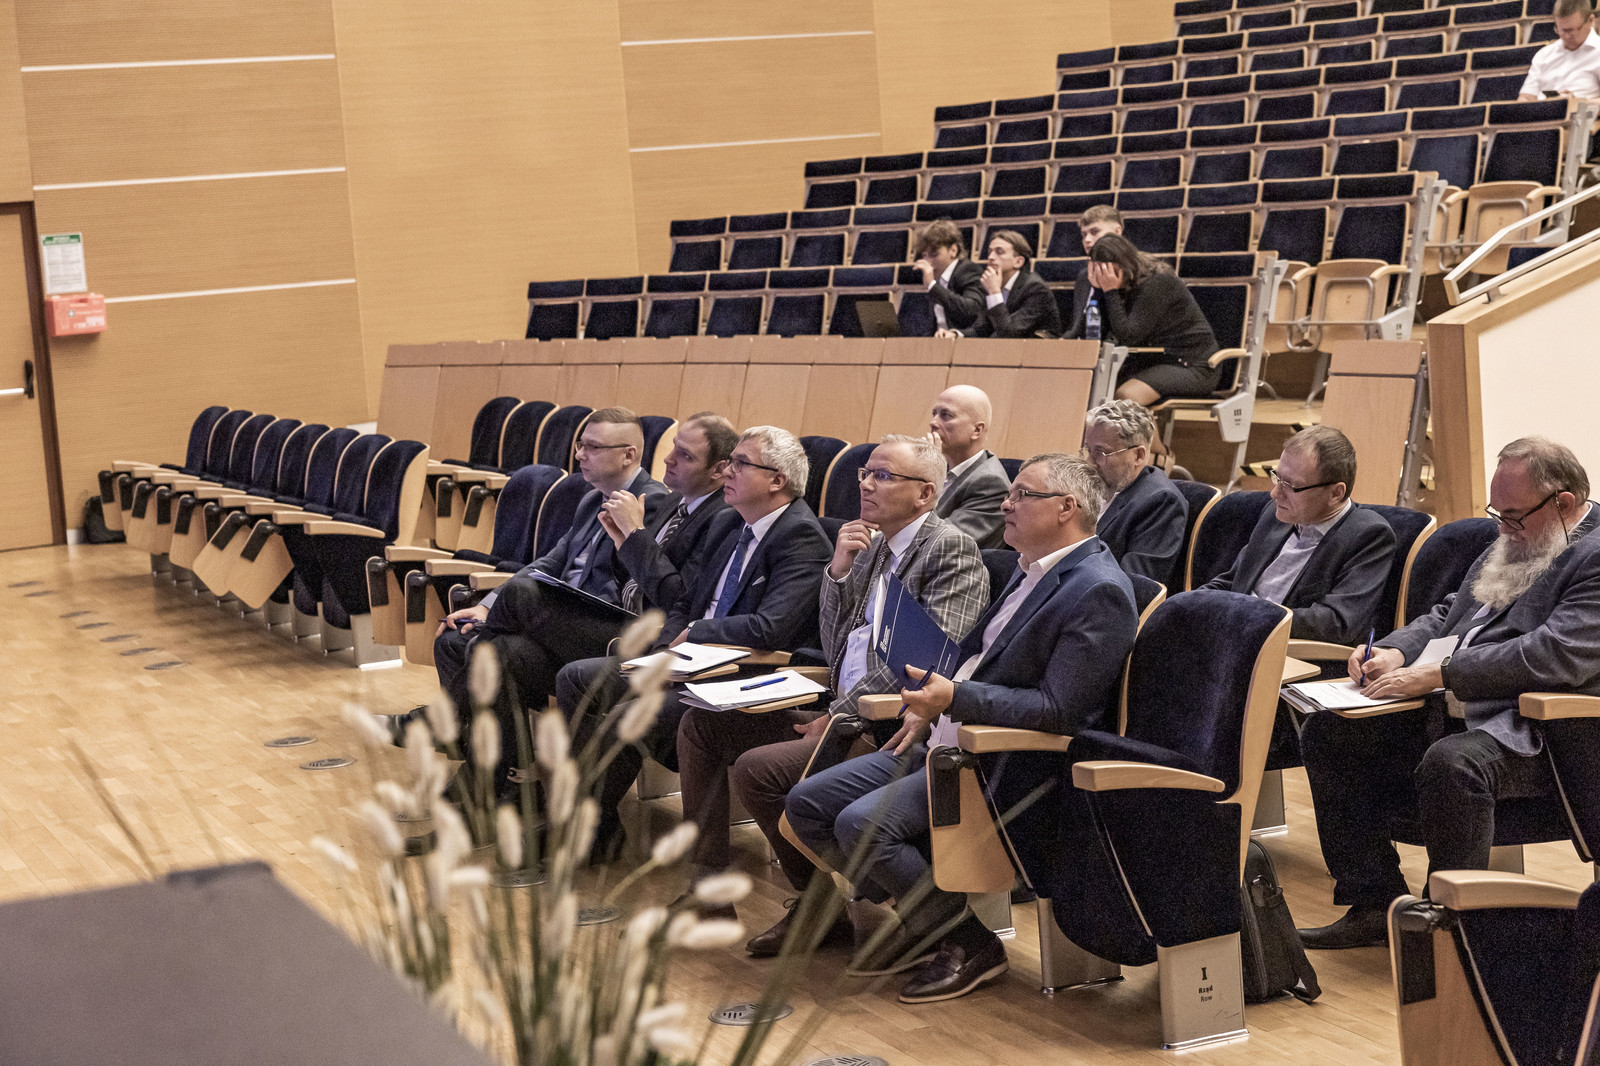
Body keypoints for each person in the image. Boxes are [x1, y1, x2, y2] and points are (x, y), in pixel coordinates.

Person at [786, 454, 1138, 1003]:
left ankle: (968, 942)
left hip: (1000, 762)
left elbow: (1059, 710)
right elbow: (977, 659)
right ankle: (923, 917)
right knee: (806, 804)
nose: (1006, 504)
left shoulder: (1097, 589)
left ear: (1066, 508)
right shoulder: (1029, 568)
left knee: (863, 824)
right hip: (941, 738)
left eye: (1022, 495)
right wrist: (933, 701)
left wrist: (953, 697)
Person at [675, 435, 989, 939]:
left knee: (759, 770)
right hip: (839, 710)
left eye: (883, 476)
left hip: (887, 725)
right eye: (865, 473)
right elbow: (837, 646)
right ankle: (708, 888)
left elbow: (927, 663)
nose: (865, 484)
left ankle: (820, 905)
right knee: (702, 725)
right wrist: (838, 575)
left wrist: (843, 714)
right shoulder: (873, 543)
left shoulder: (949, 549)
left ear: (925, 494)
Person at [1298, 438, 1600, 950]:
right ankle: (1374, 903)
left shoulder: (1592, 557)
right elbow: (1450, 611)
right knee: (1330, 731)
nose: (1501, 527)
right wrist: (1395, 651)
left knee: (1453, 763)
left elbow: (1552, 655)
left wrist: (1441, 674)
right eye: (1496, 513)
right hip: (1455, 702)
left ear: (1564, 502)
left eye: (1512, 516)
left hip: (1540, 728)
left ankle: (1448, 933)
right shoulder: (1519, 534)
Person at [554, 426, 832, 859]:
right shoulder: (729, 522)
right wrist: (666, 650)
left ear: (777, 480)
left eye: (741, 464)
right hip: (686, 659)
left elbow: (770, 628)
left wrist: (697, 635)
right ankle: (598, 825)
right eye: (730, 461)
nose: (728, 471)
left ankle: (584, 835)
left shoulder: (802, 537)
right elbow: (687, 602)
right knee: (576, 678)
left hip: (742, 674)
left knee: (627, 717)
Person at [418, 407, 670, 791]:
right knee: (460, 640)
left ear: (628, 455)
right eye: (580, 444)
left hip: (605, 629)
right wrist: (487, 606)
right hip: (557, 620)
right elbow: (550, 562)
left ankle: (446, 721)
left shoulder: (652, 504)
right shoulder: (591, 500)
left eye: (593, 447)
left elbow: (644, 587)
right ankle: (508, 775)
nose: (580, 454)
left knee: (515, 603)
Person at [1201, 426, 1395, 645]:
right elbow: (1233, 582)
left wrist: (1248, 617)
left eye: (1292, 486)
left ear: (1335, 493)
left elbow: (1337, 622)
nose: (1275, 493)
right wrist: (1188, 606)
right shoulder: (1276, 514)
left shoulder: (1368, 535)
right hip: (1236, 637)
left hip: (1290, 652)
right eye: (1277, 478)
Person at [1069, 233, 1222, 405]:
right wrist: (1098, 291)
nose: (1103, 278)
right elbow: (1097, 332)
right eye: (1097, 272)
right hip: (1152, 361)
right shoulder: (1117, 284)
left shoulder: (1159, 282)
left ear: (1124, 266)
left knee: (1125, 396)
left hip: (1191, 364)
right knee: (1087, 388)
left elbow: (1129, 335)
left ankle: (1137, 425)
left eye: (1107, 272)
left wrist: (1110, 292)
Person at [1081, 399, 1187, 587]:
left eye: (1101, 453)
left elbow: (1134, 583)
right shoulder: (1098, 483)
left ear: (1138, 455)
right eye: (1088, 450)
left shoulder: (1161, 502)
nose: (1090, 462)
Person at [927, 385, 1011, 549]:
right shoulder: (943, 466)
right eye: (934, 413)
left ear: (976, 430)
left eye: (946, 415)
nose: (933, 422)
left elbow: (942, 544)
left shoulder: (990, 483)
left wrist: (926, 475)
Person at [947, 230, 1062, 339]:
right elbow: (982, 328)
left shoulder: (1035, 289)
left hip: (1038, 350)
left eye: (999, 252)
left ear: (1018, 261)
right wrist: (956, 334)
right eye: (990, 252)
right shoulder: (993, 284)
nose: (990, 257)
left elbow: (1010, 334)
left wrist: (994, 293)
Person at [912, 220, 986, 336]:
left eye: (934, 255)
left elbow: (971, 310)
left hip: (966, 342)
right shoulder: (935, 278)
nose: (928, 262)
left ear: (953, 251)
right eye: (925, 256)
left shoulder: (967, 270)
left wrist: (932, 286)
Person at [1518, 0, 1600, 101]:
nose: (1566, 36)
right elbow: (1525, 97)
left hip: (1583, 110)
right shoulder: (1544, 55)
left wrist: (1575, 104)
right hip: (1543, 109)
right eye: (1561, 30)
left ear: (1590, 20)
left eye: (1571, 30)